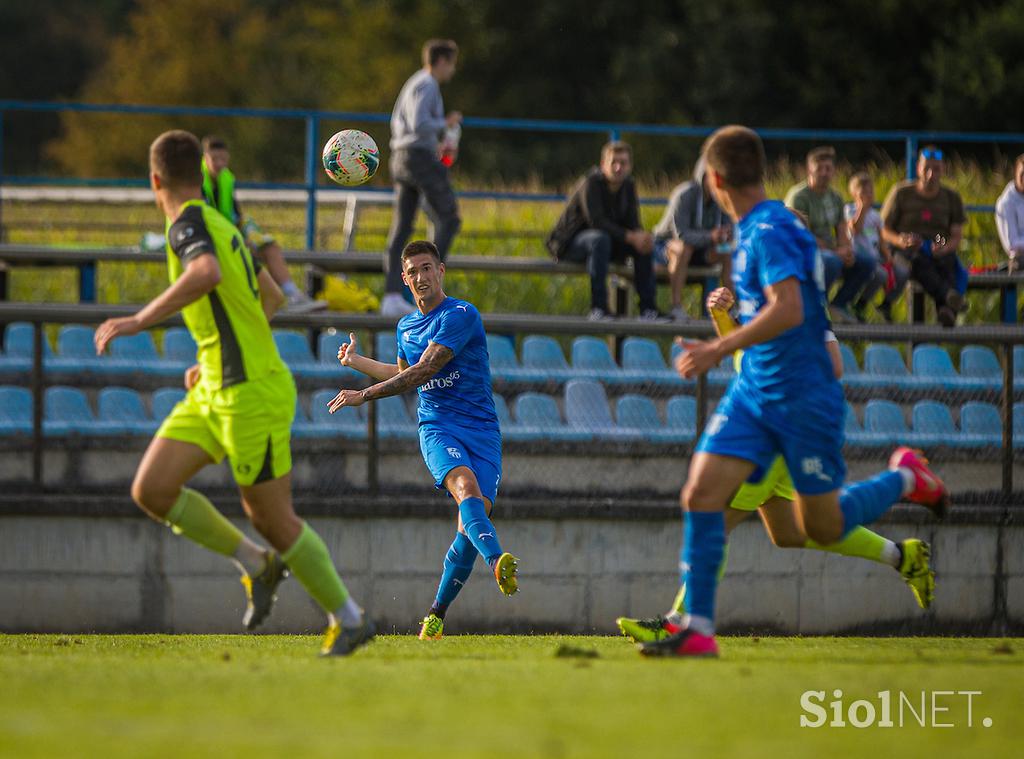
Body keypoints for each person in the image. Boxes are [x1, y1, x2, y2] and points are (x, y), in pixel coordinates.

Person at [641, 126, 948, 658]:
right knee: (702, 494)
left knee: (820, 526)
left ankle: (906, 477)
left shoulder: (769, 229)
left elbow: (790, 309)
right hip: (757, 391)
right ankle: (698, 631)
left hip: (802, 395)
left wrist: (718, 347)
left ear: (715, 180)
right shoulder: (759, 229)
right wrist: (726, 327)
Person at [94, 130, 373, 657]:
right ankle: (255, 564)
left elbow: (205, 272)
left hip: (251, 394)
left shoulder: (186, 226)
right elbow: (269, 295)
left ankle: (350, 616)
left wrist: (138, 319)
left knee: (272, 517)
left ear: (153, 180)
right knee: (152, 490)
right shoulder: (223, 223)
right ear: (199, 175)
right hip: (216, 386)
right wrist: (213, 357)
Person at [615, 286, 935, 644]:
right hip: (768, 427)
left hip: (774, 431)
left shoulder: (799, 300)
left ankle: (678, 622)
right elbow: (743, 353)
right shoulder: (761, 294)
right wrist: (722, 316)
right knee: (789, 532)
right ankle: (901, 554)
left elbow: (834, 365)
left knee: (715, 521)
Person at [327, 239, 519, 640]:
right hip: (438, 427)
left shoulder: (462, 314)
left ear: (441, 270)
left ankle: (435, 614)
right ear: (404, 279)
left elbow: (423, 371)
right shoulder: (405, 326)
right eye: (412, 272)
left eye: (426, 268)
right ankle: (498, 560)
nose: (420, 277)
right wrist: (357, 363)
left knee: (469, 527)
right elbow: (401, 372)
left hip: (482, 430)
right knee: (464, 488)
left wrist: (364, 395)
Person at [382, 39, 463, 318]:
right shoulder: (428, 84)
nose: (452, 71)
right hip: (417, 157)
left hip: (402, 157)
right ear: (441, 61)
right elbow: (419, 124)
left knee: (402, 227)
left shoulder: (416, 81)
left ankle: (392, 294)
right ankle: (430, 287)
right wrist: (446, 124)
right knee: (450, 218)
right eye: (451, 63)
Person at [200, 135, 325, 313]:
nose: (220, 163)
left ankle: (293, 296)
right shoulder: (195, 179)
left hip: (229, 238)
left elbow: (235, 214)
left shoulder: (227, 178)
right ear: (205, 157)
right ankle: (254, 302)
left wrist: (249, 234)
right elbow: (201, 217)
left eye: (223, 159)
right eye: (215, 159)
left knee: (270, 246)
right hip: (210, 241)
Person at [546, 141, 659, 320]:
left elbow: (633, 222)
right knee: (600, 239)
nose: (618, 167)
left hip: (605, 245)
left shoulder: (629, 186)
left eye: (623, 162)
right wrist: (631, 236)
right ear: (603, 164)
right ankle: (598, 308)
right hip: (571, 244)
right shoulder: (590, 183)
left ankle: (649, 309)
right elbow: (596, 221)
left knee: (642, 244)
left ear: (630, 166)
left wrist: (641, 237)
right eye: (614, 162)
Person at [784, 146, 875, 323]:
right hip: (804, 251)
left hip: (831, 250)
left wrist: (846, 249)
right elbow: (801, 235)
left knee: (867, 262)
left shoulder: (835, 197)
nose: (825, 173)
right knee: (830, 261)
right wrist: (836, 252)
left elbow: (841, 229)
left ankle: (838, 305)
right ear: (810, 169)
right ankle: (814, 308)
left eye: (829, 168)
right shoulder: (798, 196)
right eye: (820, 168)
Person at [880, 145, 967, 328]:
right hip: (907, 245)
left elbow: (955, 235)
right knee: (917, 260)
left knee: (948, 259)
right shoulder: (901, 192)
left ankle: (946, 310)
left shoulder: (951, 197)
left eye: (936, 169)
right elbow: (884, 229)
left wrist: (944, 246)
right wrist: (901, 241)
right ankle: (948, 300)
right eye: (926, 168)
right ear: (918, 168)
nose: (930, 174)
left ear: (943, 169)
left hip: (937, 241)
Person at [651, 157, 734, 321]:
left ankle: (731, 308)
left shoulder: (723, 197)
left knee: (727, 252)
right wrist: (711, 236)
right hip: (665, 246)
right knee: (684, 248)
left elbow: (729, 229)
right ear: (704, 175)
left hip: (702, 250)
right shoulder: (684, 194)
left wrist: (726, 235)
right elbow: (681, 234)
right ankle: (676, 307)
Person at [845, 172, 909, 322]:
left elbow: (880, 240)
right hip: (859, 256)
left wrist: (888, 256)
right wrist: (862, 208)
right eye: (864, 192)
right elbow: (855, 229)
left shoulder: (875, 216)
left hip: (875, 256)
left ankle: (886, 304)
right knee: (881, 274)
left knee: (902, 272)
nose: (868, 195)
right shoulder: (850, 210)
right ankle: (860, 304)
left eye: (870, 192)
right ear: (855, 194)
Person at [995, 153, 1024, 273]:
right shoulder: (1006, 203)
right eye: (1023, 174)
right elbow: (1012, 245)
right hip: (1019, 259)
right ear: (1015, 172)